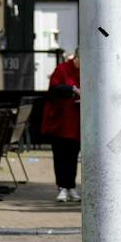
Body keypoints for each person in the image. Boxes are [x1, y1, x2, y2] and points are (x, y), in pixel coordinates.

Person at [40, 52, 80, 204]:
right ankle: (62, 187)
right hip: (60, 124)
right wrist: (73, 89)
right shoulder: (62, 69)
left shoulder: (83, 71)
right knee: (60, 157)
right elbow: (55, 89)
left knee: (73, 157)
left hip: (75, 124)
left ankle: (71, 186)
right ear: (76, 58)